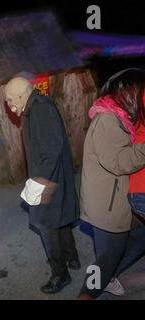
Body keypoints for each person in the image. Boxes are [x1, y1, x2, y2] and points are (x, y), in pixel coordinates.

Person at [5, 75, 80, 294]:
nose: (9, 105)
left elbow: (52, 149)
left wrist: (39, 183)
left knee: (47, 226)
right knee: (60, 220)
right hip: (53, 178)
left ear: (21, 95)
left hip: (48, 179)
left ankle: (60, 274)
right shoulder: (35, 107)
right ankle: (72, 257)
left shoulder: (39, 109)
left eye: (10, 100)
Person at [78, 68, 145, 300]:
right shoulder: (107, 120)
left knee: (138, 237)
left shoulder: (115, 115)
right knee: (105, 261)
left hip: (112, 200)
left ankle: (109, 277)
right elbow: (119, 162)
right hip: (107, 207)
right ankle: (86, 294)